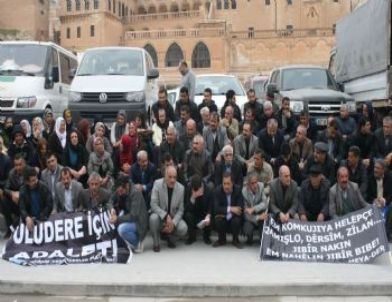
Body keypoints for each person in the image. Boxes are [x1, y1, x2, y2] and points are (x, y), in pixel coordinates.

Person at [150, 166, 188, 252]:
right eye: (170, 177)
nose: (172, 180)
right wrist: (165, 216)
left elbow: (181, 210)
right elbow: (153, 204)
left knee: (183, 228)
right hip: (160, 217)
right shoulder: (157, 183)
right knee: (153, 218)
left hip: (173, 218)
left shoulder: (181, 188)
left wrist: (173, 224)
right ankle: (156, 243)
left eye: (174, 177)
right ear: (164, 176)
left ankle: (170, 238)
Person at [110, 175, 148, 257]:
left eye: (121, 191)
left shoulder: (136, 193)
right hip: (127, 213)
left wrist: (117, 219)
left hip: (139, 222)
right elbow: (110, 199)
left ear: (127, 186)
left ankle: (137, 242)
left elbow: (133, 216)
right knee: (112, 218)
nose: (119, 193)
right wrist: (112, 208)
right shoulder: (119, 188)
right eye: (118, 191)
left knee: (121, 229)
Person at [213, 172, 244, 248]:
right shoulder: (217, 190)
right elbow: (216, 208)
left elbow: (240, 208)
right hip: (223, 217)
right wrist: (231, 209)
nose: (226, 186)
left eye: (228, 183)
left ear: (232, 183)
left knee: (237, 219)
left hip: (233, 217)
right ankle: (221, 240)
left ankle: (235, 240)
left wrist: (228, 214)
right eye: (224, 183)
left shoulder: (238, 190)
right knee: (218, 219)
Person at [19, 167, 53, 232]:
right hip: (30, 220)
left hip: (44, 218)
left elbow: (49, 205)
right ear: (27, 182)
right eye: (33, 180)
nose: (36, 182)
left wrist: (39, 217)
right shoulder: (22, 190)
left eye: (36, 179)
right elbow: (22, 208)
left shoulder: (44, 187)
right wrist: (27, 217)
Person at [1, 155, 28, 237]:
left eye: (20, 164)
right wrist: (13, 193)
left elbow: (32, 188)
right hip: (16, 202)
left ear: (24, 164)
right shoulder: (11, 173)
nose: (18, 167)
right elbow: (6, 188)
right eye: (16, 165)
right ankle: (10, 229)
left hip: (28, 203)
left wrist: (20, 194)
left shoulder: (30, 171)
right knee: (4, 200)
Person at [184, 175, 213, 245]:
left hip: (204, 214)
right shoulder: (189, 188)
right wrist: (193, 197)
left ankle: (206, 236)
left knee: (210, 217)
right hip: (194, 214)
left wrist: (208, 215)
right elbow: (186, 208)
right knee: (188, 215)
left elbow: (211, 207)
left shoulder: (208, 189)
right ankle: (192, 237)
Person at [242, 172, 268, 245]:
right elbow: (245, 213)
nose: (255, 185)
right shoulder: (243, 192)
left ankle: (262, 240)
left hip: (260, 213)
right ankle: (249, 239)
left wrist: (253, 208)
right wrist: (258, 217)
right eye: (252, 183)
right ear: (248, 185)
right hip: (250, 217)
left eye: (256, 182)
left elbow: (265, 203)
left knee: (264, 219)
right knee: (247, 230)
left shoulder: (261, 186)